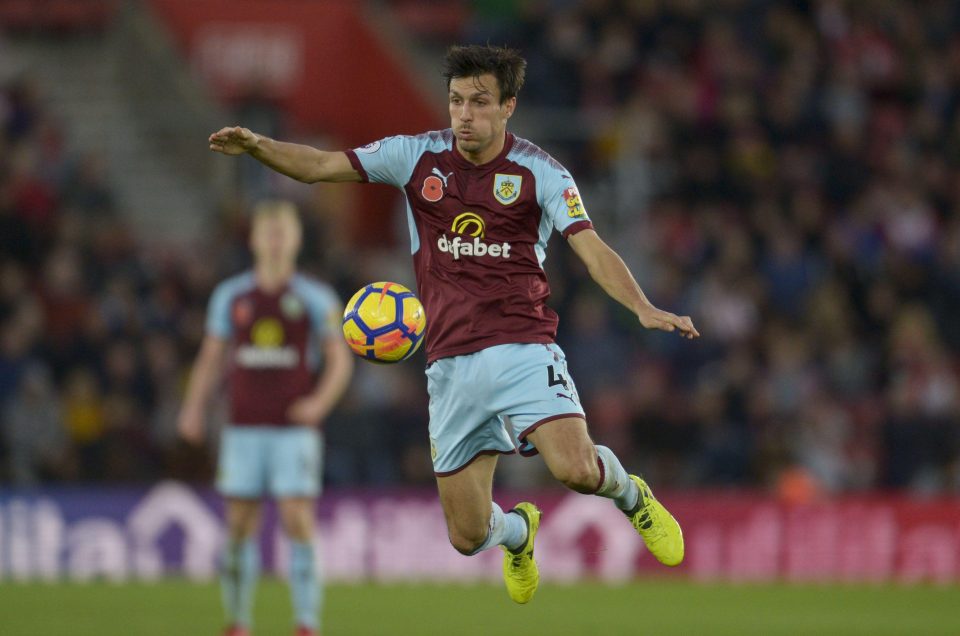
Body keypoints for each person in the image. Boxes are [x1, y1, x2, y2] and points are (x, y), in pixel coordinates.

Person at [207, 45, 699, 605]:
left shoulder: (541, 172)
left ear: (508, 106)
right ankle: (518, 533)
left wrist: (640, 306)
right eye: (456, 101)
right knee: (467, 537)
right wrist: (258, 147)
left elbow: (591, 248)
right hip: (448, 364)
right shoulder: (416, 158)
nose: (464, 114)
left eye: (480, 102)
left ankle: (632, 496)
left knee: (577, 470)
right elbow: (320, 167)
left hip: (522, 346)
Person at [178, 200, 354, 636]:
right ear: (254, 239)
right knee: (239, 525)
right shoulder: (231, 295)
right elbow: (211, 357)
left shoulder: (315, 297)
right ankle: (238, 622)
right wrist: (193, 407)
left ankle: (306, 623)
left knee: (297, 519)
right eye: (268, 232)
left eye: (284, 232)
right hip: (243, 427)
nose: (276, 240)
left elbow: (340, 360)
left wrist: (319, 403)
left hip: (294, 431)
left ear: (295, 240)